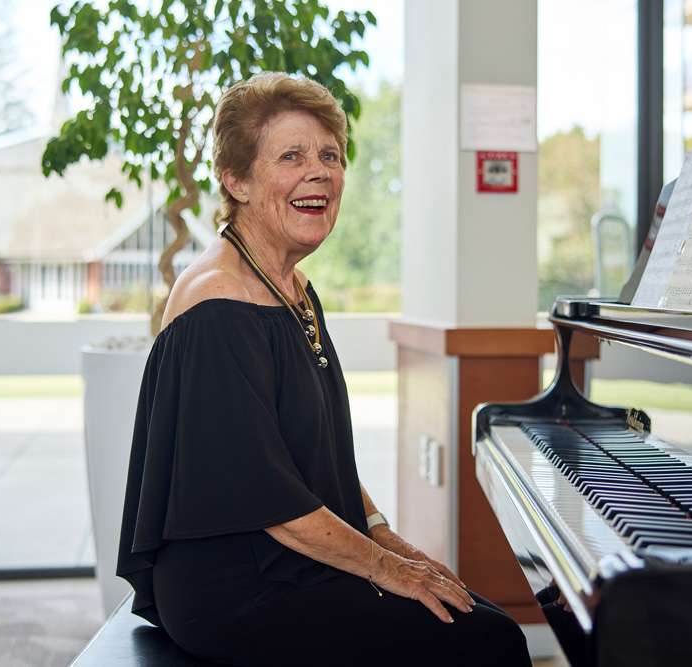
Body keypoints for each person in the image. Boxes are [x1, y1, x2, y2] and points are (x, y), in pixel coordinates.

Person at [115, 72, 531, 667]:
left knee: (480, 617)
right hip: (237, 587)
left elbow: (314, 453)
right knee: (486, 642)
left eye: (330, 156)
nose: (320, 172)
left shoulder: (293, 288)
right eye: (291, 156)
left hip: (295, 560)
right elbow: (269, 499)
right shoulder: (218, 305)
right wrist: (390, 570)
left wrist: (387, 537)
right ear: (236, 180)